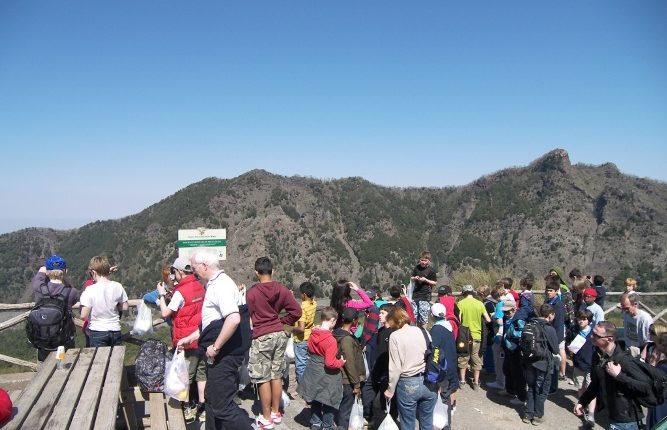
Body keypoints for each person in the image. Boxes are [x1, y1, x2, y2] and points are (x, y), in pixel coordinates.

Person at [177, 248, 252, 430]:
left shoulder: (220, 286)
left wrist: (216, 347)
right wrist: (190, 338)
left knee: (222, 407)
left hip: (224, 356)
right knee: (211, 400)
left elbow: (233, 319)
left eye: (194, 267)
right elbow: (212, 324)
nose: (192, 271)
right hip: (220, 355)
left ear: (204, 266)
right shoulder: (215, 284)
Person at [246, 257, 302, 429]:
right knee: (276, 373)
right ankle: (276, 412)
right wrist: (282, 321)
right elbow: (297, 311)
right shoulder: (282, 289)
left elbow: (246, 315)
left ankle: (266, 417)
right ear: (273, 270)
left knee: (262, 377)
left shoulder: (252, 293)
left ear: (256, 273)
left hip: (261, 336)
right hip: (279, 334)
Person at [156, 257, 207, 423]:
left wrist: (162, 296)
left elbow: (165, 313)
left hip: (186, 339)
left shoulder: (180, 291)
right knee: (201, 374)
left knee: (184, 376)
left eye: (174, 272)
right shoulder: (200, 286)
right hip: (201, 336)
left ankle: (188, 408)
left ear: (179, 271)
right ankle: (203, 407)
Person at [574, 321, 651, 430]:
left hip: (626, 420)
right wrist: (583, 401)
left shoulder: (624, 360)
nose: (591, 336)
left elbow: (645, 387)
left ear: (609, 339)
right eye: (592, 333)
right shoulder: (597, 355)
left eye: (596, 335)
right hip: (612, 415)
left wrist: (619, 375)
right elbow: (596, 383)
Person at [384, 307, 437, 430]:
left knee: (407, 423)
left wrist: (390, 390)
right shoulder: (423, 331)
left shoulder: (395, 336)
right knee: (427, 422)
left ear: (393, 320)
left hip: (408, 383)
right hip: (429, 380)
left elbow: (395, 367)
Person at [298, 306, 347, 430]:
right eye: (335, 322)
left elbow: (309, 349)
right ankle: (327, 426)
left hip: (313, 369)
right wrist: (341, 362)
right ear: (331, 320)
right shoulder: (330, 340)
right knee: (329, 399)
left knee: (315, 397)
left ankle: (315, 423)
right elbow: (330, 363)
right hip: (326, 373)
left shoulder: (313, 333)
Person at [31, 255, 80, 361]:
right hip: (64, 340)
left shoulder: (39, 287)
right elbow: (73, 297)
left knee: (44, 368)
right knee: (65, 367)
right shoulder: (72, 292)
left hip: (43, 340)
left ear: (47, 272)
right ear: (65, 271)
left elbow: (40, 273)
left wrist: (46, 269)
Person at [522, 303, 559, 426]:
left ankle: (528, 414)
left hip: (529, 362)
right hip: (543, 363)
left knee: (531, 387)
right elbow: (555, 350)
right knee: (541, 390)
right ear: (550, 315)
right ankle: (538, 416)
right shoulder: (549, 328)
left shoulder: (530, 324)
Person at [80, 256, 128, 347]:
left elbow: (83, 316)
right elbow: (125, 307)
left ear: (93, 272)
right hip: (115, 330)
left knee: (99, 360)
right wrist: (114, 307)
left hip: (97, 330)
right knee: (115, 359)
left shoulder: (90, 290)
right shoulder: (118, 286)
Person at [334, 308, 366, 430]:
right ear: (354, 320)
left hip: (340, 376)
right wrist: (356, 384)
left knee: (342, 406)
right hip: (348, 379)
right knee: (345, 409)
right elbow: (350, 363)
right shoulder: (347, 339)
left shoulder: (337, 333)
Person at [368, 303, 398, 430]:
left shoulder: (393, 333)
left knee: (386, 404)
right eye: (379, 313)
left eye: (383, 313)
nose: (379, 315)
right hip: (378, 372)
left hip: (388, 373)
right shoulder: (380, 331)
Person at [430, 303, 459, 427]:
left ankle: (444, 425)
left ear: (432, 315)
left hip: (443, 369)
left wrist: (434, 371)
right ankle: (446, 424)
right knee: (446, 399)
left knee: (442, 399)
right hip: (451, 365)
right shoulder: (449, 326)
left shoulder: (436, 330)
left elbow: (435, 351)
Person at [457, 285, 491, 390]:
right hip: (477, 335)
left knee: (463, 357)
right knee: (476, 358)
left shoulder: (460, 304)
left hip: (464, 336)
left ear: (463, 293)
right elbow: (488, 320)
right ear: (473, 293)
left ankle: (462, 381)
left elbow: (459, 320)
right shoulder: (480, 304)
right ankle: (476, 382)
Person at [569, 310, 596, 428]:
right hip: (578, 363)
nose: (581, 321)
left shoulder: (594, 332)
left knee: (591, 390)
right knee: (580, 387)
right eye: (579, 318)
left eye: (584, 319)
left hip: (591, 365)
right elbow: (568, 342)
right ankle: (582, 407)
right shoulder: (573, 330)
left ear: (589, 321)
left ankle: (591, 414)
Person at [293, 281, 317, 384]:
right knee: (308, 362)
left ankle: (303, 386)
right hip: (310, 337)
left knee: (301, 365)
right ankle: (310, 383)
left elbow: (301, 328)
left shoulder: (302, 308)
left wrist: (292, 330)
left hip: (300, 340)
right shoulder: (314, 303)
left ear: (304, 294)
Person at [544, 276, 566, 380]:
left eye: (551, 291)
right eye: (547, 290)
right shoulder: (549, 302)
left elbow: (559, 323)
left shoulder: (558, 304)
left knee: (558, 354)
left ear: (557, 291)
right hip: (549, 332)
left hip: (556, 334)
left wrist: (556, 338)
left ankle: (560, 374)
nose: (549, 292)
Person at [410, 251, 438, 327]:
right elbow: (411, 277)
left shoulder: (431, 270)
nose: (423, 262)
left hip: (425, 296)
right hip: (415, 295)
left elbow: (435, 282)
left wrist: (425, 280)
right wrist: (414, 278)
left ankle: (424, 334)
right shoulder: (416, 268)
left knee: (423, 317)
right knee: (414, 316)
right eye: (422, 260)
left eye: (425, 260)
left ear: (429, 261)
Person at [646, 333, 667, 429]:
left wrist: (653, 362)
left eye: (661, 344)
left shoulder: (662, 366)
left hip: (661, 404)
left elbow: (648, 381)